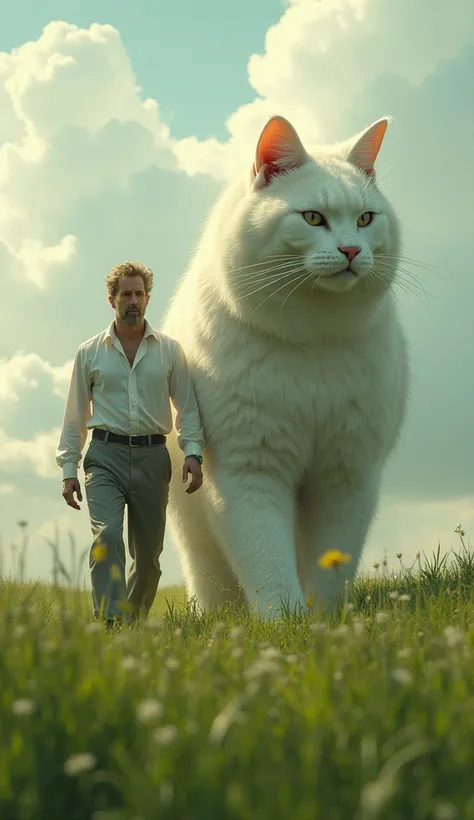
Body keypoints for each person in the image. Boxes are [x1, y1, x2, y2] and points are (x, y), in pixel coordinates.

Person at [56, 260, 204, 629]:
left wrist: (193, 452)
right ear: (112, 300)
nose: (133, 301)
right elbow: (75, 415)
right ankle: (109, 622)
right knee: (107, 538)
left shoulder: (170, 351)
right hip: (104, 456)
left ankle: (131, 625)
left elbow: (186, 406)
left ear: (148, 298)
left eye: (139, 294)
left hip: (154, 457)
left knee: (149, 559)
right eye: (126, 294)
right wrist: (69, 469)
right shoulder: (89, 352)